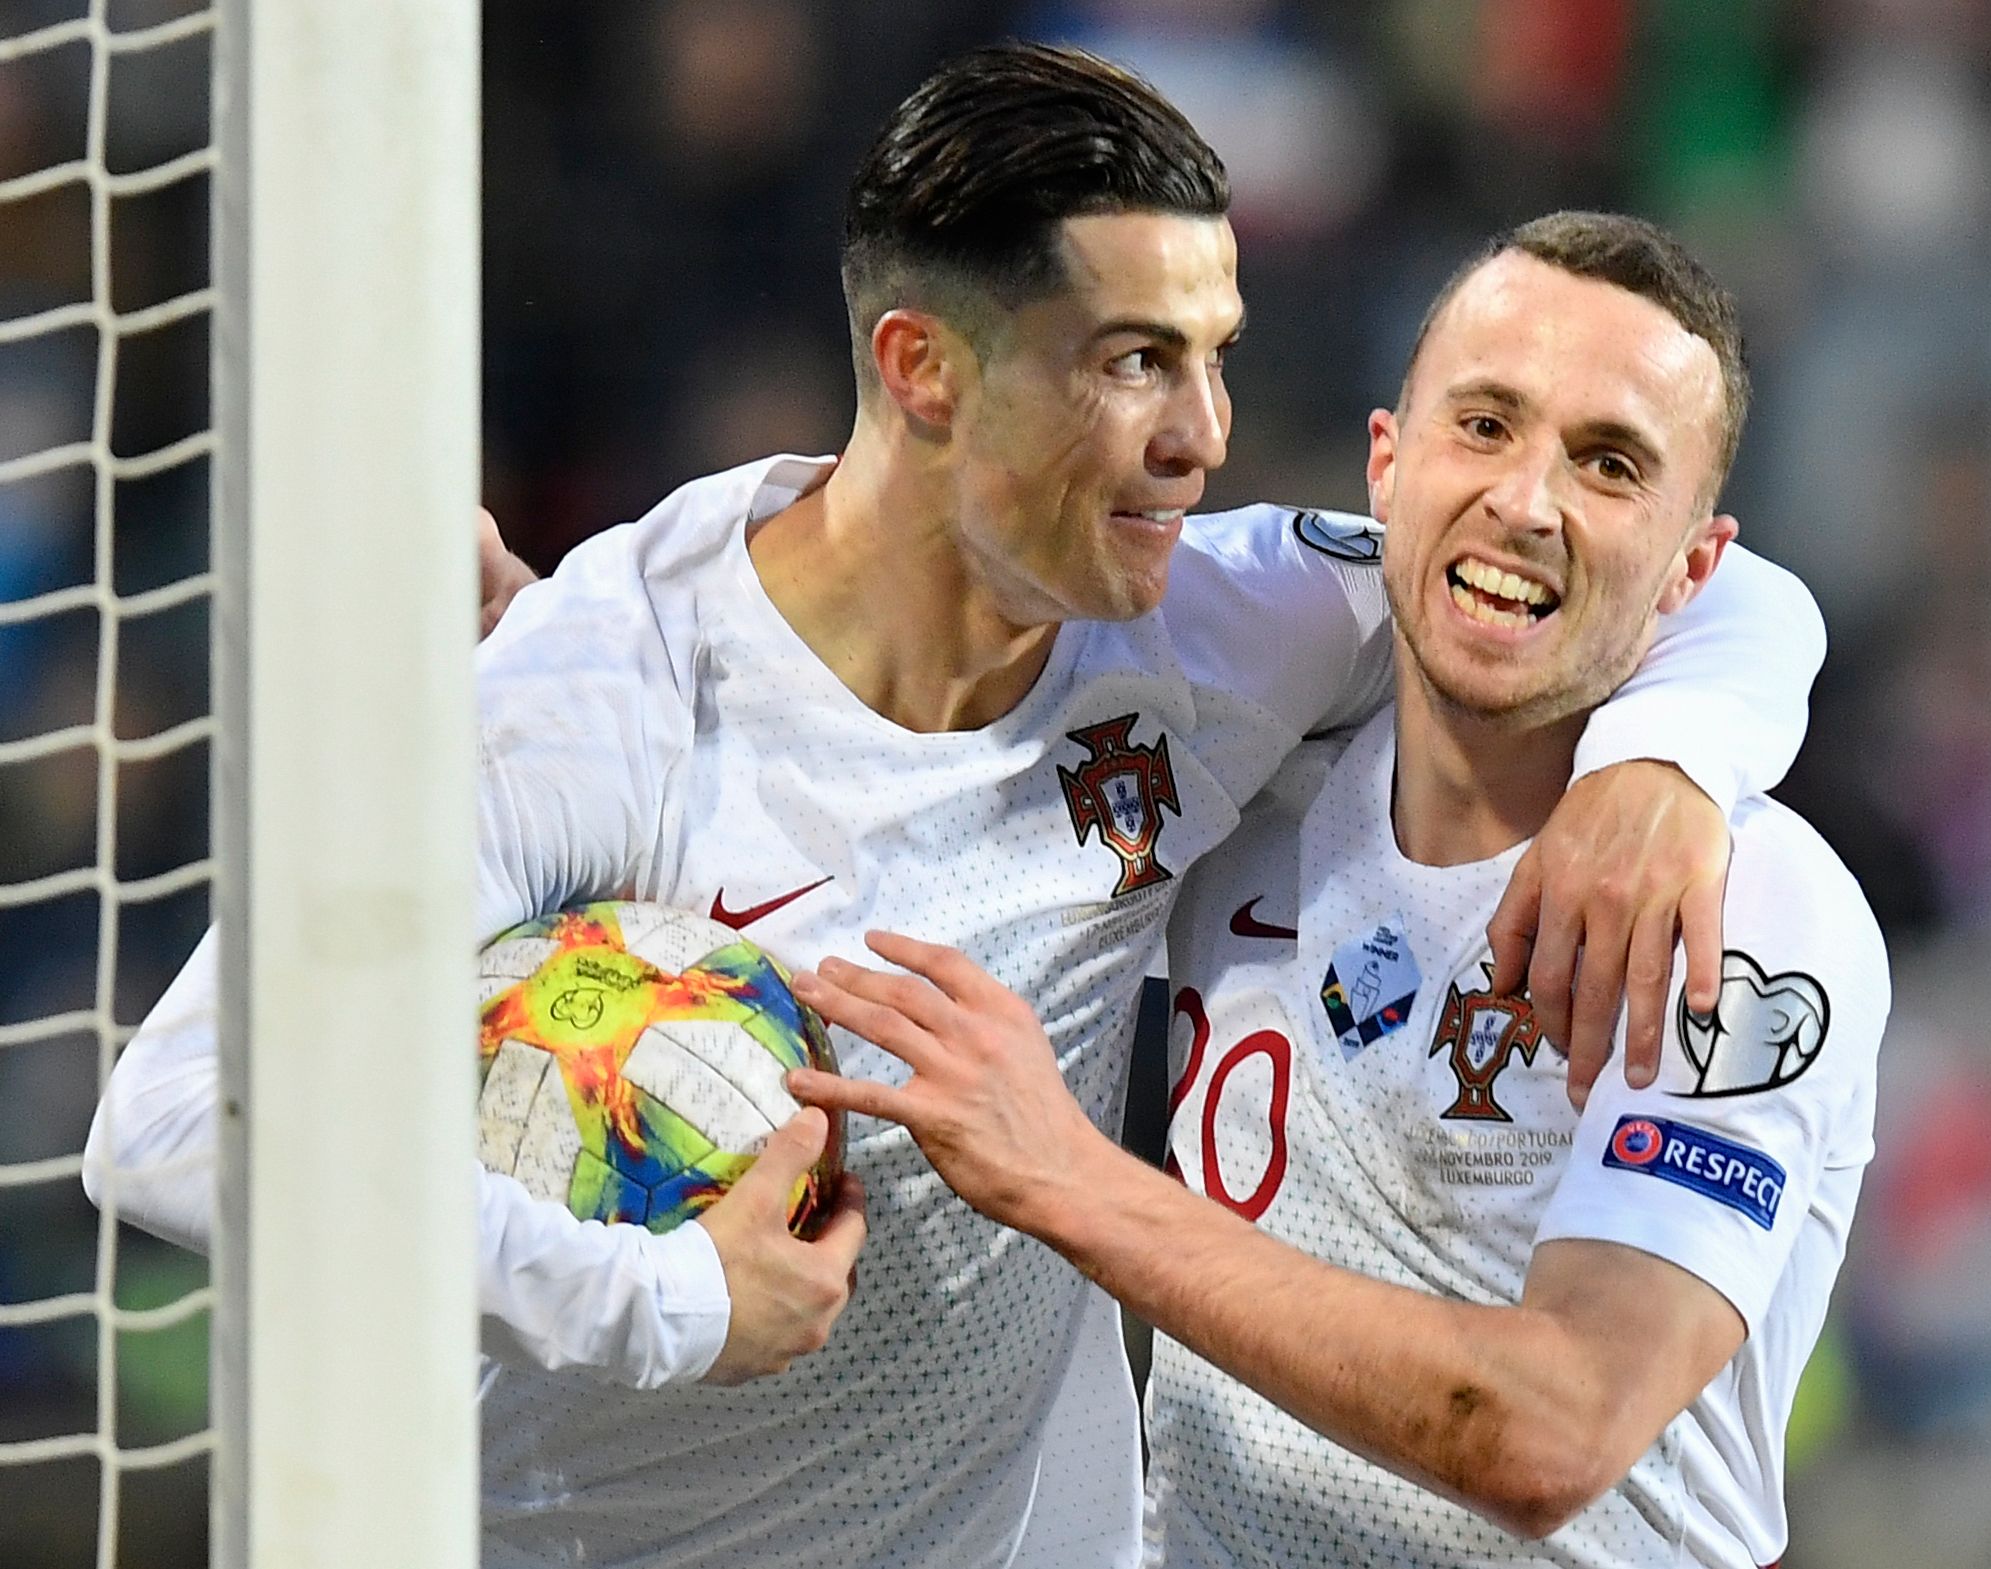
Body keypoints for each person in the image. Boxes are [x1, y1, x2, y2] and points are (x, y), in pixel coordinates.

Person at [86, 48, 1824, 1569]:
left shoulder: (1207, 620)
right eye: (1133, 361)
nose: (1203, 436)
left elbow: (1655, 573)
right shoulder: (587, 695)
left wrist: (1664, 760)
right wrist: (668, 1303)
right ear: (925, 368)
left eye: (1216, 356)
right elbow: (172, 1120)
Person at [789, 210, 1886, 1569]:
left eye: (1607, 463)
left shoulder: (1748, 907)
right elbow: (892, 675)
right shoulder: (1242, 775)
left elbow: (1551, 1429)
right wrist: (578, 644)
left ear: (1694, 570)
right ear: (1385, 463)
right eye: (1483, 425)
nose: (1526, 500)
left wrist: (1069, 1178)